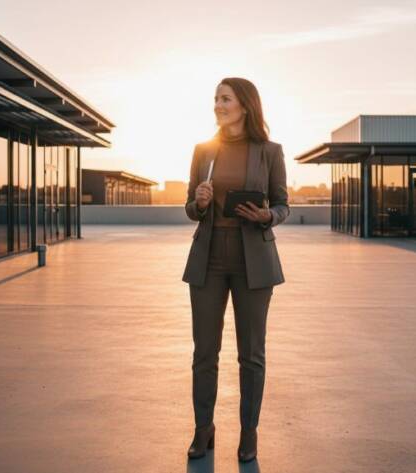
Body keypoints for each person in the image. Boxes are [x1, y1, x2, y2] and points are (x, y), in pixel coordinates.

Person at [182, 77, 289, 462]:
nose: (218, 105)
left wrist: (266, 216)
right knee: (204, 353)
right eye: (215, 98)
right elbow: (191, 209)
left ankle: (249, 433)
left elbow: (282, 204)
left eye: (225, 98)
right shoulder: (203, 151)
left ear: (244, 105)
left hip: (254, 264)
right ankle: (203, 429)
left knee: (252, 355)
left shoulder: (269, 151)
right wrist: (199, 202)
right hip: (208, 259)